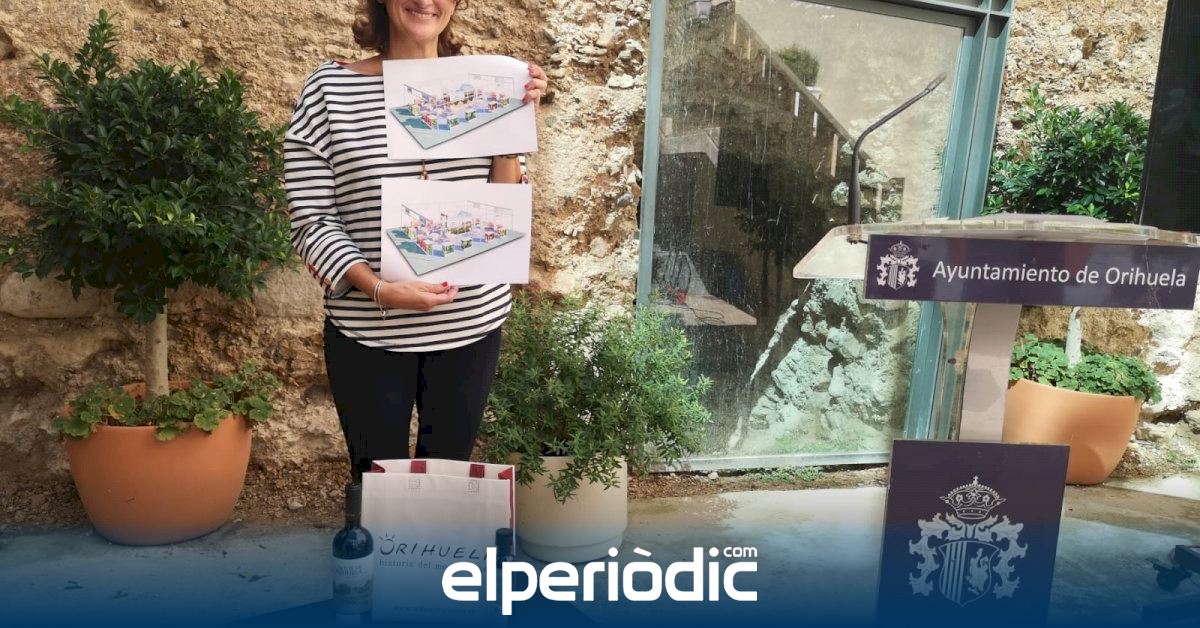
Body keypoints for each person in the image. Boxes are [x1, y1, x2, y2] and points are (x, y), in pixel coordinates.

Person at [283, 0, 549, 476]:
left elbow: (504, 202)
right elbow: (311, 215)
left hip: (470, 323)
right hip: (368, 327)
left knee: (446, 484)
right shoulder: (331, 90)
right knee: (375, 482)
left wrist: (513, 123)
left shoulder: (485, 83)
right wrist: (378, 289)